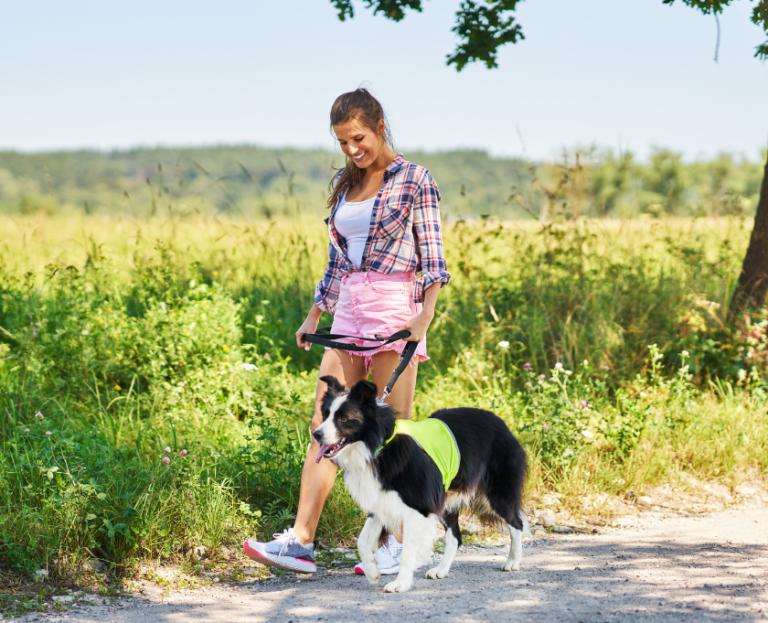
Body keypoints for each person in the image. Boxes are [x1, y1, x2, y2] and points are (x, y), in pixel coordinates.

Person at [243, 88, 450, 575]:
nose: (352, 149)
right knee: (325, 422)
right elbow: (339, 259)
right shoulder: (346, 184)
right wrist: (316, 312)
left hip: (392, 309)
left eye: (358, 138)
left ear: (379, 125)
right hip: (349, 310)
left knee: (392, 430)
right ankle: (300, 541)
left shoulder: (415, 179)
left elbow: (434, 257)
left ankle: (404, 539)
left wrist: (426, 314)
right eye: (342, 142)